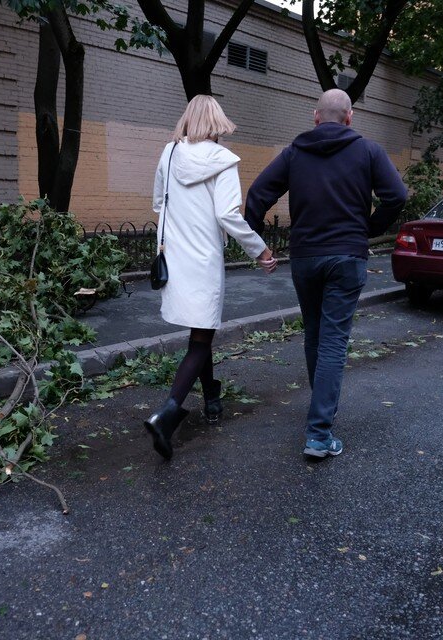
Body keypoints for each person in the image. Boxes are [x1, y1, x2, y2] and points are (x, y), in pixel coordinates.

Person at [245, 89, 407, 458]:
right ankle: (319, 432)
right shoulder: (368, 151)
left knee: (315, 336)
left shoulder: (294, 153)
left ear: (315, 117)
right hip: (347, 257)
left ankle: (321, 413)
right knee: (333, 340)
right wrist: (366, 229)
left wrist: (256, 245)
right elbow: (397, 195)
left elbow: (257, 195)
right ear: (350, 118)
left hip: (306, 257)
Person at [144, 95, 278, 461]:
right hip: (202, 259)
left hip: (174, 256)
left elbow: (159, 204)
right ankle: (166, 415)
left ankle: (212, 397)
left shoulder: (169, 153)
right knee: (201, 339)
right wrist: (262, 251)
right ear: (218, 123)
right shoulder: (223, 160)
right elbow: (229, 216)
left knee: (199, 332)